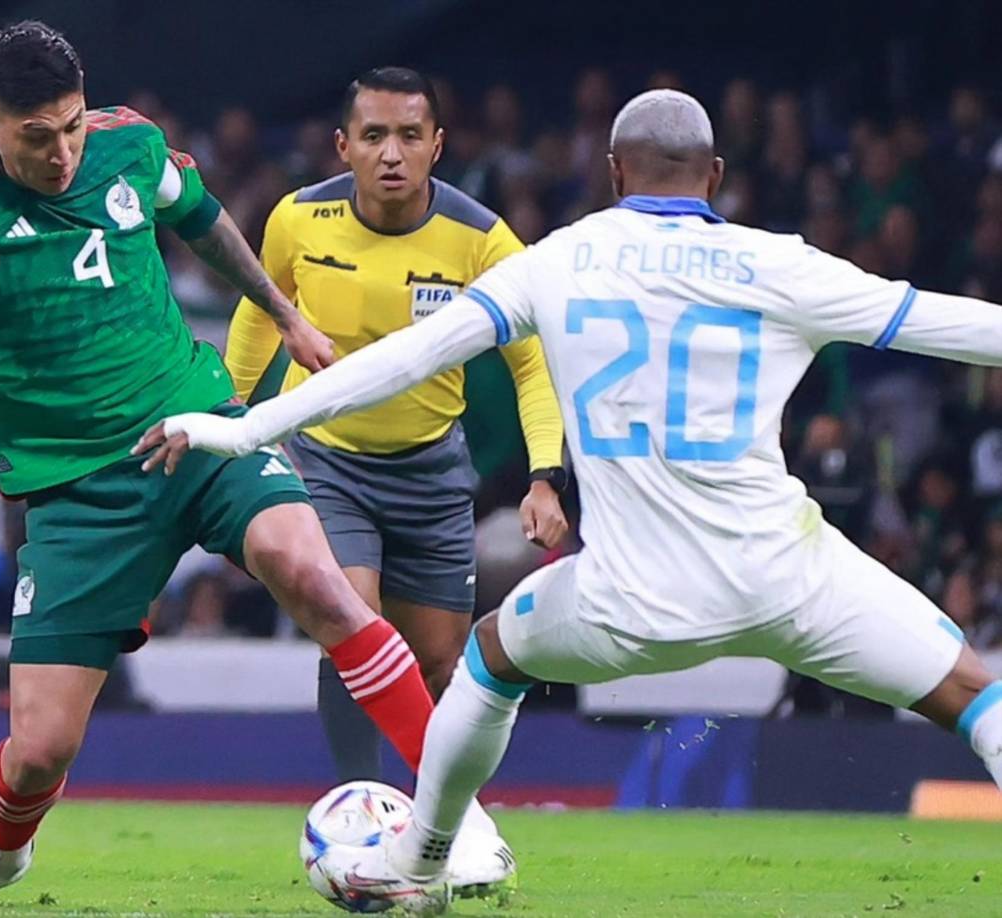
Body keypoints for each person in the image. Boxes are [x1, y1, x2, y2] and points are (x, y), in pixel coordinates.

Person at [140, 89, 1002, 913]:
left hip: (628, 600)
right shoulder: (782, 263)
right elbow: (952, 323)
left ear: (615, 173)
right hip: (795, 579)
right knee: (974, 693)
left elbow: (405, 358)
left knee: (489, 658)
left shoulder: (558, 260)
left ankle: (422, 859)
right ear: (715, 175)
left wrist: (253, 427)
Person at [0, 20, 449, 907]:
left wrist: (283, 312)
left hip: (197, 425)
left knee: (312, 572)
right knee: (38, 751)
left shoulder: (130, 143)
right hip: (76, 488)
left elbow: (205, 220)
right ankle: (0, 857)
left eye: (71, 126)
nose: (63, 152)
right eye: (38, 136)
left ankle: (460, 823)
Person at [224, 67, 567, 782]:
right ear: (342, 145)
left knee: (440, 662)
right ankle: (360, 806)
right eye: (374, 135)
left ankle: (437, 827)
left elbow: (534, 368)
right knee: (351, 622)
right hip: (327, 460)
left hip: (432, 469)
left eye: (409, 135)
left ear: (437, 145)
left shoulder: (483, 241)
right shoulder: (296, 219)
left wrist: (544, 478)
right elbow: (263, 308)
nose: (391, 153)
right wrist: (231, 419)